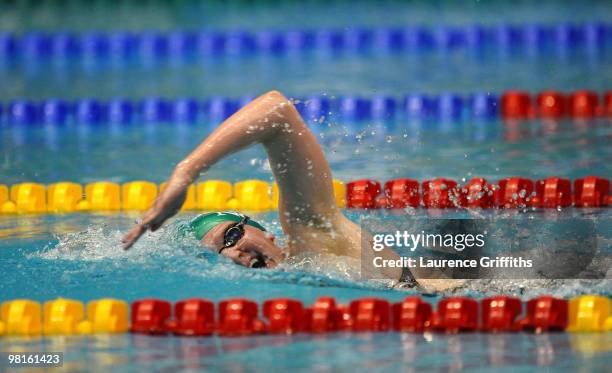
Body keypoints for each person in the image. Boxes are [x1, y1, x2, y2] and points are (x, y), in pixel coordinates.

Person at [122, 91, 459, 291]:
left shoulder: (313, 236)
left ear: (265, 231)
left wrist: (185, 173)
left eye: (232, 234)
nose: (235, 251)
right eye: (219, 253)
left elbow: (277, 111)